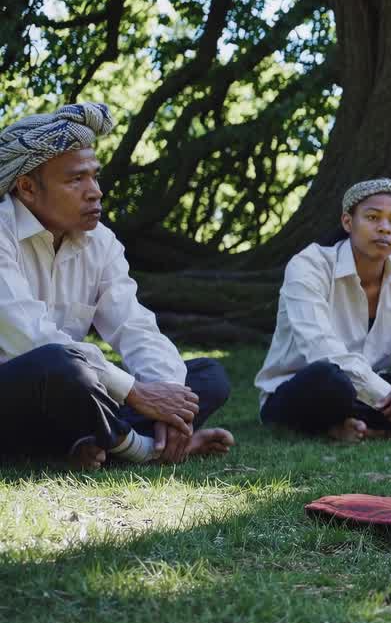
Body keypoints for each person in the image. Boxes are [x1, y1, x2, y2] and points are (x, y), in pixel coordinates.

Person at [0, 103, 233, 469]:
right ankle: (139, 448)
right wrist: (135, 392)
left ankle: (89, 444)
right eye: (76, 180)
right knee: (60, 365)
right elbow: (29, 338)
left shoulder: (101, 242)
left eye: (95, 176)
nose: (95, 192)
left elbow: (135, 326)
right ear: (27, 188)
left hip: (73, 393)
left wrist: (169, 403)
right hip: (20, 393)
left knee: (206, 378)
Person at [256, 178, 391, 442]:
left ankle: (364, 428)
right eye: (373, 217)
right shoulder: (309, 266)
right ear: (347, 222)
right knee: (330, 378)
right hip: (304, 389)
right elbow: (322, 350)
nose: (385, 228)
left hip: (369, 389)